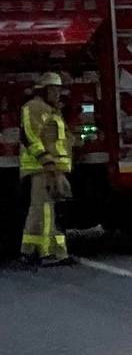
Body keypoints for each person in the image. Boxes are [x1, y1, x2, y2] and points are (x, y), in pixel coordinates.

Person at [18, 73, 74, 267]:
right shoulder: (34, 107)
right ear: (44, 90)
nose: (58, 93)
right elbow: (30, 136)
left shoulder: (51, 110)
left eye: (59, 89)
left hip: (52, 168)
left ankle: (35, 251)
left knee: (46, 211)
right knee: (45, 211)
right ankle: (47, 253)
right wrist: (46, 161)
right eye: (54, 89)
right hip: (42, 168)